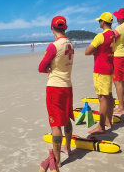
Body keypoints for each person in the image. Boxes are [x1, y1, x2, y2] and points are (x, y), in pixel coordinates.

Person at [38, 15, 74, 171]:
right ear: (65, 27)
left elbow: (41, 67)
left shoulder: (53, 46)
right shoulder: (70, 44)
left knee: (55, 125)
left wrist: (47, 68)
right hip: (67, 85)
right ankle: (68, 148)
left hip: (55, 87)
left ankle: (58, 161)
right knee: (66, 118)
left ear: (51, 27)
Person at [85, 12, 115, 135]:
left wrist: (95, 51)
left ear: (103, 22)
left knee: (102, 98)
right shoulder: (113, 34)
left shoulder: (100, 36)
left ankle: (101, 126)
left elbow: (87, 51)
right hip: (109, 67)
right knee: (108, 95)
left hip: (101, 69)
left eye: (99, 21)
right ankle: (108, 120)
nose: (99, 23)